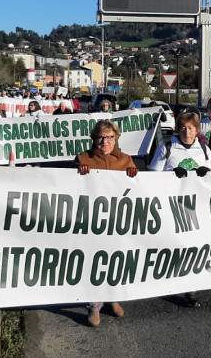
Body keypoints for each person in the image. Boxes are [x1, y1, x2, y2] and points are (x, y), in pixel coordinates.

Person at [75, 119, 139, 327]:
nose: (105, 141)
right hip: (93, 221)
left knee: (115, 260)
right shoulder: (82, 158)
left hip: (118, 220)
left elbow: (139, 190)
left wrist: (134, 174)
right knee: (95, 261)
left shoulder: (126, 159)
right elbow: (68, 188)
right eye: (101, 137)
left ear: (116, 138)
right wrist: (78, 173)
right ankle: (94, 306)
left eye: (110, 137)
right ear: (94, 139)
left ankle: (112, 297)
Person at [148, 112, 211, 308]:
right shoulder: (167, 148)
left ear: (197, 130)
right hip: (172, 206)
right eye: (184, 128)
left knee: (193, 246)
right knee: (174, 246)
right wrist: (171, 175)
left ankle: (190, 288)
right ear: (179, 129)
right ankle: (166, 278)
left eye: (191, 128)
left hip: (196, 207)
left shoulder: (204, 150)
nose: (187, 132)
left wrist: (205, 174)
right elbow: (153, 175)